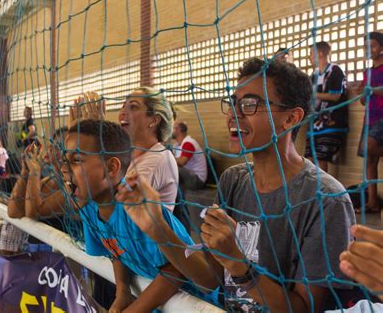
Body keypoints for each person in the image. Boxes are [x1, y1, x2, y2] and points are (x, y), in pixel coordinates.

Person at [120, 58, 356, 312]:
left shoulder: (326, 199)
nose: (235, 114)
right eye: (233, 103)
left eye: (250, 104)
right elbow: (210, 279)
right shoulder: (233, 180)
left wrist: (240, 266)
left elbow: (304, 308)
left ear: (290, 118)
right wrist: (159, 229)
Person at [61, 119, 193, 312]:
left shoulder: (135, 205)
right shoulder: (90, 206)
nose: (64, 169)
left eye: (77, 160)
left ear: (112, 168)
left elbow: (176, 270)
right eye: (65, 160)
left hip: (194, 301)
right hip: (160, 300)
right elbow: (116, 249)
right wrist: (122, 290)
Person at [70, 88, 178, 212]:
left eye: (133, 107)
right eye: (122, 107)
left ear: (153, 120)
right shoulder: (123, 153)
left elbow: (113, 205)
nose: (122, 113)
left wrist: (93, 132)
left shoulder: (159, 158)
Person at [305, 41, 348, 172]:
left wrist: (313, 94)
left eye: (311, 54)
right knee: (310, 159)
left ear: (320, 53)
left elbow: (335, 96)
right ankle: (314, 190)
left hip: (331, 122)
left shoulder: (335, 70)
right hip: (315, 123)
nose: (309, 57)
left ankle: (324, 191)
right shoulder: (314, 74)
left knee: (321, 159)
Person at [356, 31, 383, 213]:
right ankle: (373, 201)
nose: (369, 49)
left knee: (370, 147)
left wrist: (372, 89)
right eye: (367, 46)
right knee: (369, 159)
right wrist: (362, 93)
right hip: (369, 119)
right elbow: (364, 100)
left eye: (372, 45)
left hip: (382, 117)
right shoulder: (368, 72)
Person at [172, 121, 207, 190]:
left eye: (172, 128)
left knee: (171, 168)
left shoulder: (189, 143)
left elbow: (182, 162)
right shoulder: (176, 145)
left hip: (197, 180)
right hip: (187, 177)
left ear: (178, 130)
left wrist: (167, 158)